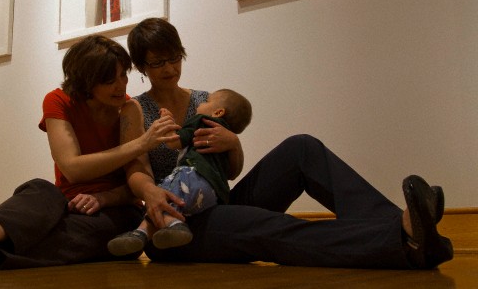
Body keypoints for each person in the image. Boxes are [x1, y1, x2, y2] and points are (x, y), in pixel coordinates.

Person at [122, 17, 453, 270]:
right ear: (141, 66)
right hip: (172, 223)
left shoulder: (205, 100)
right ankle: (400, 241)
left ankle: (406, 228)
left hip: (215, 200)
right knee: (272, 228)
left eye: (175, 58)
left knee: (301, 147)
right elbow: (136, 171)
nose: (170, 68)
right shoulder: (136, 109)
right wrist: (152, 194)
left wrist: (233, 144)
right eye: (157, 62)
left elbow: (230, 172)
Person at [0, 34, 180, 272]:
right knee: (41, 190)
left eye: (123, 75)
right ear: (86, 81)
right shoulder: (59, 100)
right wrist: (142, 143)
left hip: (116, 209)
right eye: (109, 80)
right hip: (65, 203)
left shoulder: (128, 109)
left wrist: (102, 198)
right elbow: (72, 169)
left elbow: (135, 183)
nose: (120, 86)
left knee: (74, 234)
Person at [108, 88, 252, 256]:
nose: (202, 103)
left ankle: (160, 228)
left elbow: (174, 142)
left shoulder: (202, 120)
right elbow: (231, 173)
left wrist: (167, 121)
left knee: (166, 190)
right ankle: (143, 233)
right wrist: (233, 143)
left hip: (193, 178)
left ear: (218, 112)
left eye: (207, 102)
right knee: (166, 197)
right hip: (215, 195)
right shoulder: (224, 133)